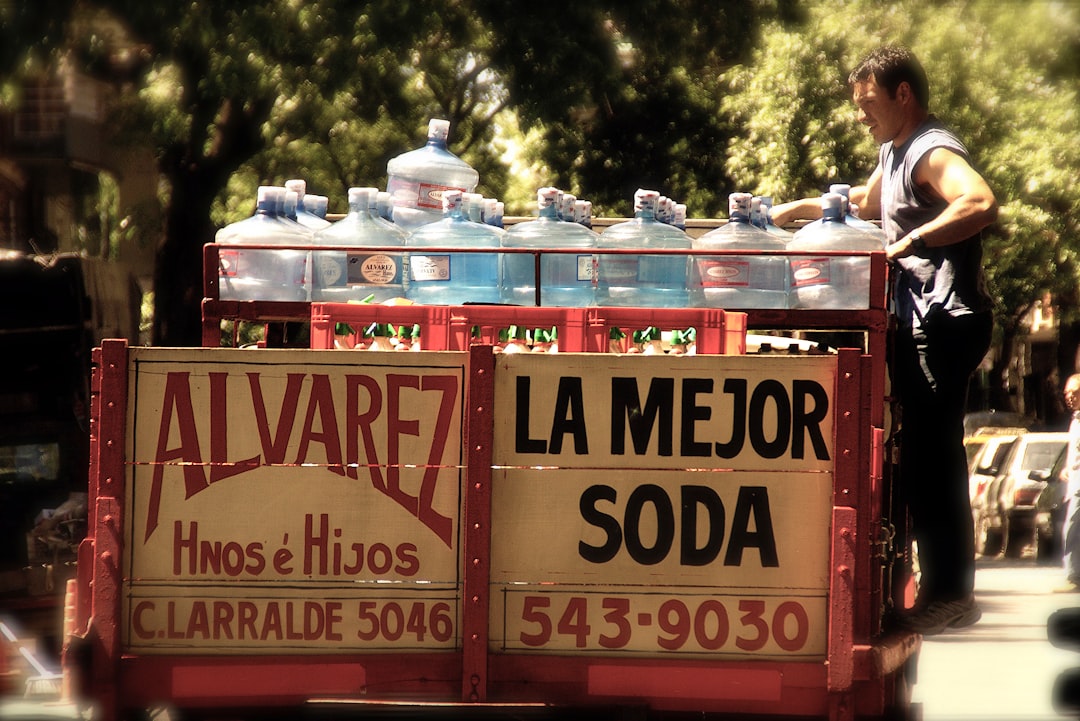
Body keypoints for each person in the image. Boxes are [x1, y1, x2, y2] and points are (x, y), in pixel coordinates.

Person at [772, 45, 997, 635]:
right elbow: (869, 203)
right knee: (917, 454)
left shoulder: (930, 148)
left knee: (933, 456)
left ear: (903, 96)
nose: (860, 115)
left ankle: (951, 593)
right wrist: (794, 210)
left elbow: (979, 201)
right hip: (918, 321)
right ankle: (937, 587)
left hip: (943, 320)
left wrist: (911, 242)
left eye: (869, 103)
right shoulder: (894, 150)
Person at [1058, 374, 1080, 593]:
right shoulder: (1076, 419)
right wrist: (1067, 468)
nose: (1070, 397)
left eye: (1075, 392)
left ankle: (1073, 576)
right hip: (1075, 481)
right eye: (1067, 393)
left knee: (1072, 527)